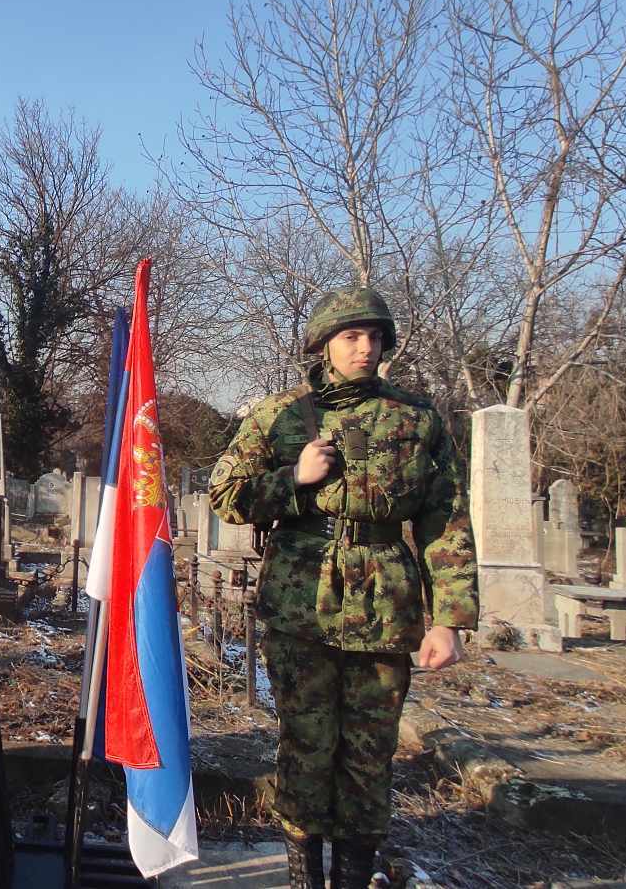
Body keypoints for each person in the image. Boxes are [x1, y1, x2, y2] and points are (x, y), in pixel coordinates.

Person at [207, 288, 477, 888]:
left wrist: (449, 619)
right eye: (352, 337)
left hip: (385, 604)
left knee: (370, 754)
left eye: (375, 337)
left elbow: (446, 520)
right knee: (305, 745)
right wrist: (294, 479)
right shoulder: (279, 415)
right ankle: (304, 875)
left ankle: (353, 875)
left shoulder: (417, 419)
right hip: (301, 602)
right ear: (323, 345)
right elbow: (226, 497)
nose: (365, 348)